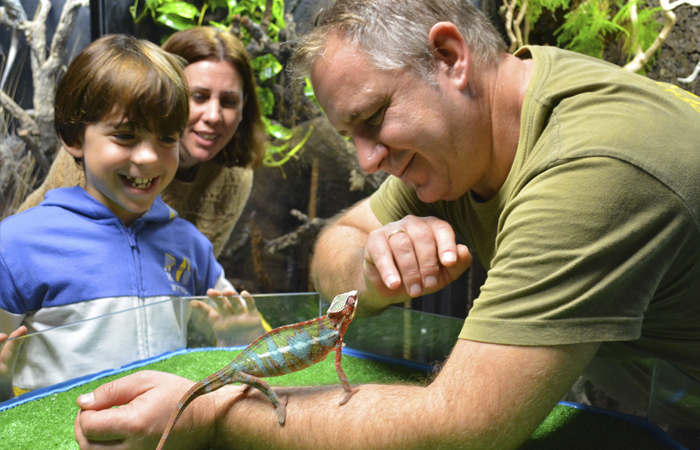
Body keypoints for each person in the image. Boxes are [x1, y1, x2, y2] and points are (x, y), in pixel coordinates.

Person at [73, 1, 700, 449]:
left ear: (450, 56)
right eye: (352, 137)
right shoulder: (472, 133)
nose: (369, 161)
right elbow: (339, 242)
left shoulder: (590, 166)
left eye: (373, 118)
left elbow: (464, 426)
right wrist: (371, 268)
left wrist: (212, 417)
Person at [0, 34, 260, 402]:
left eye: (167, 139)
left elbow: (234, 342)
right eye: (125, 136)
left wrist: (238, 339)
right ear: (73, 137)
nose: (150, 158)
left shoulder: (190, 245)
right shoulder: (16, 246)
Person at [17, 26, 266, 259]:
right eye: (198, 97)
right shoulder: (100, 151)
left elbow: (196, 275)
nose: (213, 116)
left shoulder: (235, 178)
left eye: (229, 101)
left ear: (244, 107)